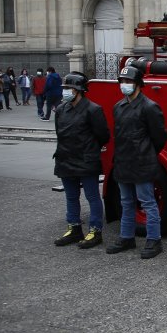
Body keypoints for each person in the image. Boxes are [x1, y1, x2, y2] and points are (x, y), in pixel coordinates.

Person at [106, 65, 167, 259]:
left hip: (142, 163)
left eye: (128, 82)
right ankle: (127, 237)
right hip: (123, 162)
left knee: (148, 202)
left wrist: (147, 153)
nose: (124, 85)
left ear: (139, 84)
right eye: (122, 82)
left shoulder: (149, 107)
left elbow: (160, 137)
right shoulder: (118, 107)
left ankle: (154, 240)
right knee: (126, 202)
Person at [52, 72, 111, 249]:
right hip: (65, 157)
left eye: (69, 89)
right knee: (71, 196)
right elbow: (59, 132)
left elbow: (103, 135)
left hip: (86, 159)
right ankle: (74, 228)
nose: (65, 92)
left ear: (78, 91)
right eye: (65, 89)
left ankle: (95, 231)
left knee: (92, 196)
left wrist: (88, 148)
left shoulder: (93, 110)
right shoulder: (61, 109)